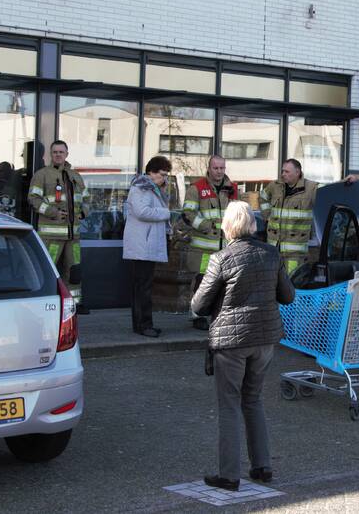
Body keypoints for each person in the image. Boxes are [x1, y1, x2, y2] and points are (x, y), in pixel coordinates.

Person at [192, 201, 295, 492]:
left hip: (231, 343)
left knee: (229, 404)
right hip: (264, 340)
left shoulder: (221, 259)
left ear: (227, 227)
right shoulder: (272, 254)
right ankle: (262, 467)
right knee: (253, 399)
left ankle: (229, 475)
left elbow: (199, 306)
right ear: (253, 225)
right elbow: (288, 297)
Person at [259, 159, 355, 275]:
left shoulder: (310, 188)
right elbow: (263, 196)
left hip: (295, 252)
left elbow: (329, 190)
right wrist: (266, 214)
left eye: (287, 171)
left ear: (297, 172)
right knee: (273, 281)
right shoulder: (275, 186)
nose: (283, 174)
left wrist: (343, 182)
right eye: (283, 171)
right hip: (273, 248)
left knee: (292, 282)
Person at [29, 140, 90, 314]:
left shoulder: (76, 176)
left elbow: (86, 200)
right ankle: (46, 303)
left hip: (73, 236)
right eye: (55, 152)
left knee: (74, 271)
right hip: (51, 236)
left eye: (61, 152)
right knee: (49, 270)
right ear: (50, 154)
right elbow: (33, 199)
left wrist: (83, 213)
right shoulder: (42, 175)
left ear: (66, 154)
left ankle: (75, 304)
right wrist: (52, 212)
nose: (58, 155)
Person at [180, 155, 239, 330]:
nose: (219, 172)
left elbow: (238, 212)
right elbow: (188, 213)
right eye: (216, 168)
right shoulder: (197, 187)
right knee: (202, 283)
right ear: (209, 168)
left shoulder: (233, 188)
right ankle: (197, 316)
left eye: (222, 168)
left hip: (226, 247)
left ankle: (219, 316)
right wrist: (208, 227)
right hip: (204, 248)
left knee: (224, 284)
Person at [123, 156, 173, 338]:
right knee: (142, 288)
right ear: (151, 172)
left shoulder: (151, 188)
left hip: (145, 244)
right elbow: (142, 212)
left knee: (143, 286)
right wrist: (166, 213)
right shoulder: (140, 188)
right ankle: (144, 325)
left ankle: (143, 324)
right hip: (142, 245)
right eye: (162, 175)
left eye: (166, 175)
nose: (164, 178)